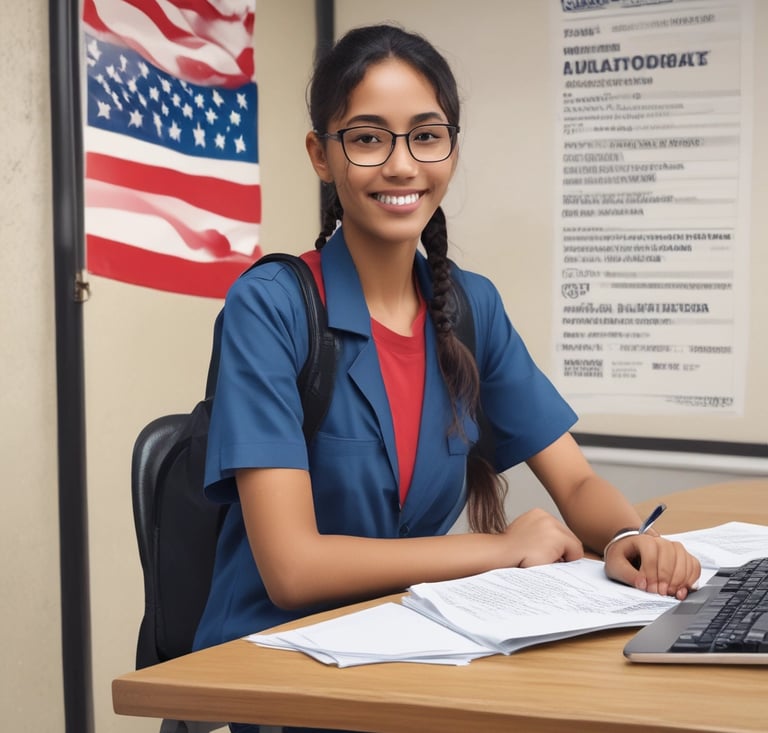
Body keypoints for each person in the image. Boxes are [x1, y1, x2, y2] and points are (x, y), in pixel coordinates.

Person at [193, 23, 701, 733]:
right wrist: (498, 548)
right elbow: (293, 567)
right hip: (268, 680)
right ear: (321, 155)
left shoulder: (468, 306)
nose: (402, 165)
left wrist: (622, 536)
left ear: (451, 149)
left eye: (426, 136)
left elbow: (576, 482)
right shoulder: (271, 307)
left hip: (409, 656)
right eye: (369, 138)